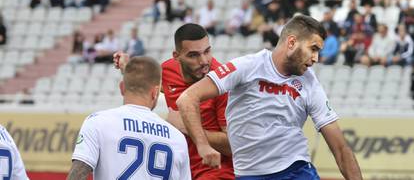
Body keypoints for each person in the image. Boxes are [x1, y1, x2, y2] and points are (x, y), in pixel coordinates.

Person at [176, 15, 362, 179]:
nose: (315, 58)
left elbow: (340, 148)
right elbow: (187, 98)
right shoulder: (247, 67)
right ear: (291, 43)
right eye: (313, 49)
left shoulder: (310, 83)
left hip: (296, 171)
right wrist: (203, 145)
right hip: (249, 175)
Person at [114, 23, 235, 180]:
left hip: (215, 170)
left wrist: (188, 127)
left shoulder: (222, 83)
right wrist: (127, 66)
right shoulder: (168, 71)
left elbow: (232, 146)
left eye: (207, 51)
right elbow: (144, 81)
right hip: (178, 168)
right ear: (176, 56)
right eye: (193, 55)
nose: (204, 61)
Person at [67, 56, 191, 180]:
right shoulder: (176, 137)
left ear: (122, 87)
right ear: (155, 92)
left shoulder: (98, 122)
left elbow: (77, 175)